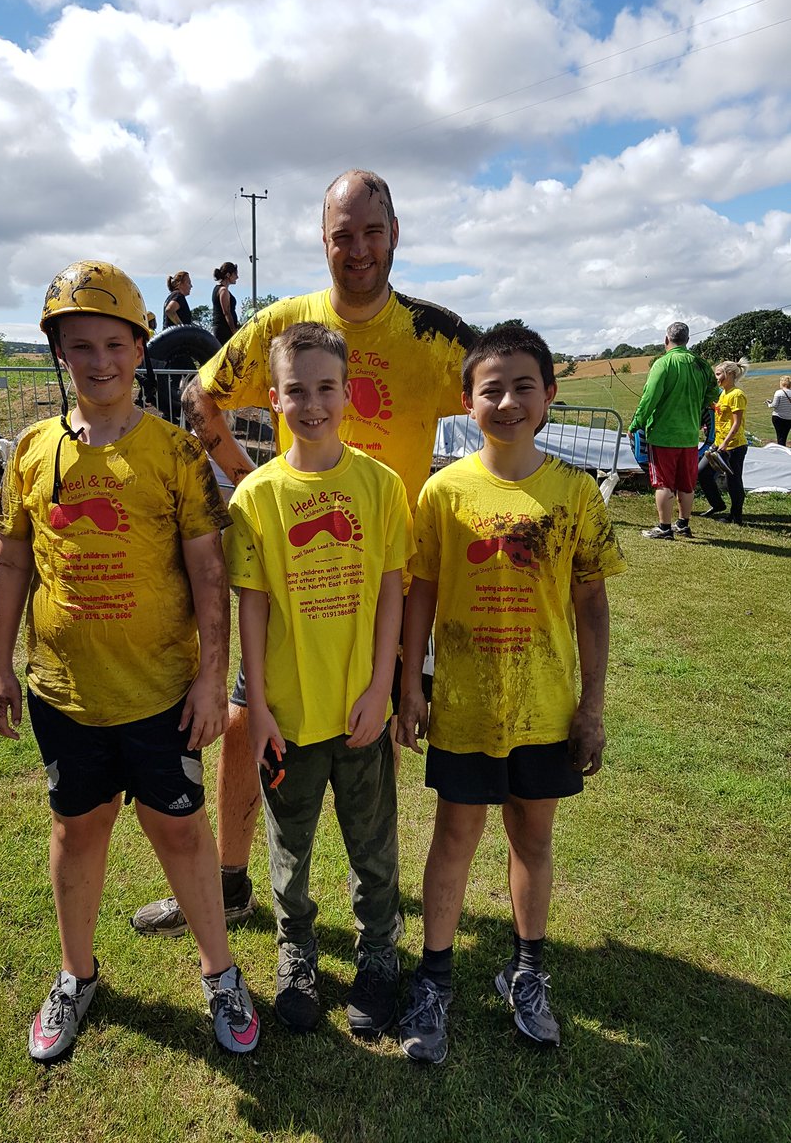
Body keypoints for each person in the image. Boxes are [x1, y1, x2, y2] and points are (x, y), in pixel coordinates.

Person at [130, 168, 476, 938]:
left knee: (372, 735)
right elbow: (200, 394)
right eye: (342, 235)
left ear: (395, 235)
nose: (358, 250)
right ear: (323, 243)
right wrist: (248, 482)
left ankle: (369, 902)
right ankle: (229, 885)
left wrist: (474, 502)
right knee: (248, 722)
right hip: (288, 580)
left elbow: (506, 396)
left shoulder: (436, 338)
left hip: (384, 581)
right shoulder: (286, 324)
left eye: (372, 232)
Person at [0, 260, 259, 1062]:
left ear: (141, 348)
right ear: (58, 354)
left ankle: (220, 973)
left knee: (179, 830)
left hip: (161, 695)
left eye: (113, 343)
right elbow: (9, 563)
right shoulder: (32, 452)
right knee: (78, 828)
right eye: (79, 346)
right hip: (66, 694)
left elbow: (210, 575)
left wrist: (214, 676)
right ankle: (77, 975)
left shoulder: (175, 453)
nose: (98, 361)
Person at [396, 324, 626, 1063]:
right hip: (464, 705)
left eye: (523, 386)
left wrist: (591, 708)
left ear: (549, 396)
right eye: (490, 389)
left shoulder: (574, 492)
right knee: (455, 837)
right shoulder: (443, 492)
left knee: (533, 835)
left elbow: (591, 603)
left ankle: (527, 972)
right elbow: (420, 597)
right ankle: (434, 982)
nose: (506, 401)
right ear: (467, 402)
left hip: (546, 706)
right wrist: (410, 685)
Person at [225, 321, 411, 1034]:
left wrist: (380, 690)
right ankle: (295, 949)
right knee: (289, 847)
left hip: (360, 712)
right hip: (289, 719)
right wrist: (260, 707)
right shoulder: (257, 496)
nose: (312, 404)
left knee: (373, 845)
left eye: (325, 388)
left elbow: (392, 591)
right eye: (296, 390)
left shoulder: (380, 486)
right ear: (274, 397)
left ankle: (377, 955)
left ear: (347, 394)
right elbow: (254, 605)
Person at [628, 322, 719, 541]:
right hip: (689, 435)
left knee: (663, 483)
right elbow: (714, 392)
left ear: (666, 340)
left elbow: (650, 397)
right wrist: (698, 407)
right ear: (688, 340)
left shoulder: (663, 363)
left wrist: (636, 424)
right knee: (687, 483)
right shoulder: (701, 364)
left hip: (663, 435)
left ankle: (664, 527)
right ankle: (683, 524)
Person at [698, 359, 749, 526]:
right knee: (702, 472)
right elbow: (720, 411)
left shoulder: (737, 395)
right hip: (719, 443)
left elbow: (736, 423)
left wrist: (725, 444)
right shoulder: (723, 393)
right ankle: (718, 504)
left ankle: (736, 516)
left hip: (734, 446)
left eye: (719, 374)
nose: (716, 378)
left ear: (731, 374)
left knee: (733, 480)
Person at [211, 263, 240, 343]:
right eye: (235, 274)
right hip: (224, 331)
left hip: (223, 330)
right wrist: (234, 330)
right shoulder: (223, 290)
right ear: (228, 275)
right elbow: (226, 312)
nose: (237, 277)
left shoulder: (220, 289)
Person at [766, 375, 791, 447]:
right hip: (789, 418)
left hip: (778, 417)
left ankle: (781, 450)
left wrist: (769, 403)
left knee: (779, 436)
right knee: (784, 436)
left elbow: (774, 405)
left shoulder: (779, 392)